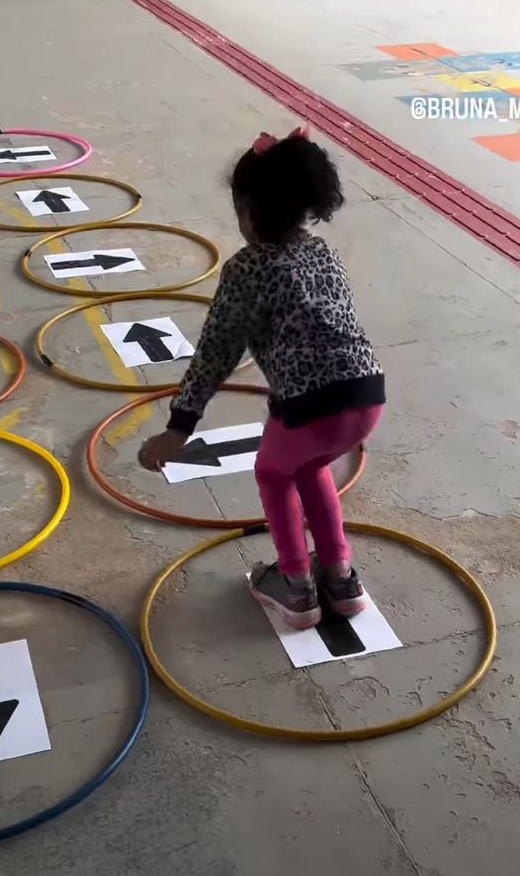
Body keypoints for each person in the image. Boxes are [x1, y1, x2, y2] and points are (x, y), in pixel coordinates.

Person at [139, 127, 385, 630]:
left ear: (247, 211)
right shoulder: (323, 251)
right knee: (310, 467)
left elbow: (216, 352)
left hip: (307, 407)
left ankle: (296, 586)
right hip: (366, 395)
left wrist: (179, 427)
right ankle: (341, 579)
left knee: (274, 474)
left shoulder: (246, 268)